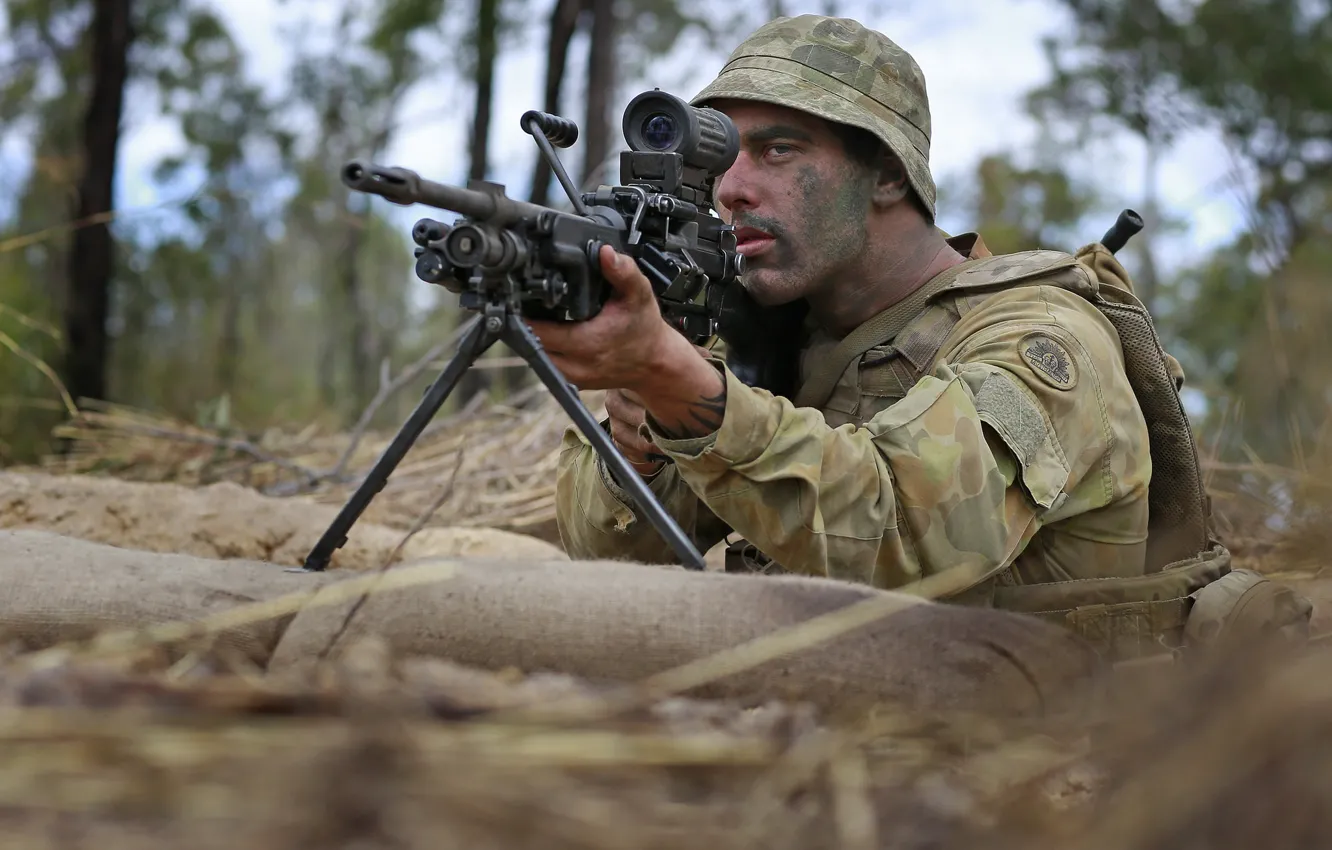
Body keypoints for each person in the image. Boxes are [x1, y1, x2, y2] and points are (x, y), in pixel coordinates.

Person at [524, 14, 1310, 660]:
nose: (732, 186)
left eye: (778, 150)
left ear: (889, 175)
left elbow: (912, 539)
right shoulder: (770, 341)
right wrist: (643, 433)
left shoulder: (1040, 334)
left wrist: (686, 392)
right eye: (722, 157)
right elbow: (617, 567)